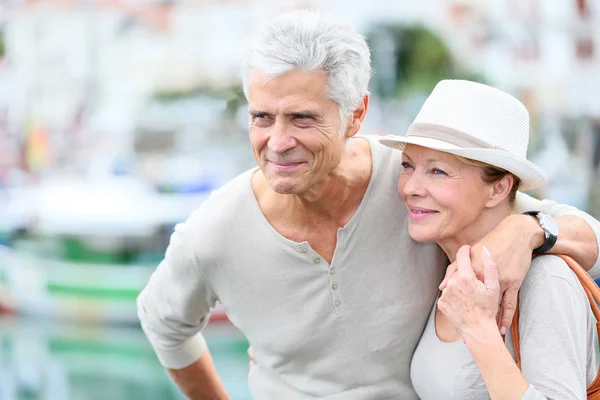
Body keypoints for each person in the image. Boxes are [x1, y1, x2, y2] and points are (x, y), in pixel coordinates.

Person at [137, 10, 600, 400]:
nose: (278, 142)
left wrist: (527, 231)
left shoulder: (412, 192)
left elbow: (582, 231)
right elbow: (163, 326)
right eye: (262, 116)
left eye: (302, 117)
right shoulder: (213, 232)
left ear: (356, 114)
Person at [380, 79, 596, 399]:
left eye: (437, 171)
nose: (411, 187)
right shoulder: (448, 264)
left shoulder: (546, 278)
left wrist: (478, 329)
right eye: (408, 166)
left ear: (498, 188)